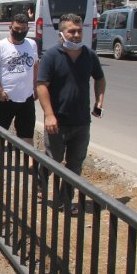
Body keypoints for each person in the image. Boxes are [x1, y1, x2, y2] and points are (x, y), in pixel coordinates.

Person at [36, 13, 106, 213]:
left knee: (75, 164)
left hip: (81, 122)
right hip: (57, 121)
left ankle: (64, 201)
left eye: (79, 31)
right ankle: (40, 184)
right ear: (61, 34)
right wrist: (49, 114)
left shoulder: (89, 55)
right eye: (71, 31)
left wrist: (99, 101)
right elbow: (41, 86)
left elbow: (100, 79)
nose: (76, 35)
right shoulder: (51, 56)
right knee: (52, 159)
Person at [0, 12, 38, 147]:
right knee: (0, 131)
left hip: (26, 98)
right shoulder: (1, 46)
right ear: (11, 28)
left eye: (23, 29)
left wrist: (35, 86)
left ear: (27, 29)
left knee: (27, 134)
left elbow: (35, 65)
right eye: (17, 29)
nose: (19, 32)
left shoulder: (32, 44)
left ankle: (30, 165)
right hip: (6, 98)